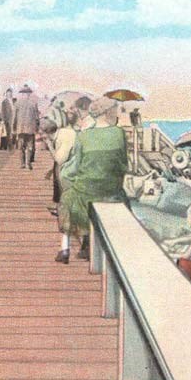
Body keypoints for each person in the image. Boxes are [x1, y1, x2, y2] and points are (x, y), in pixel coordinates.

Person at [56, 97, 128, 264]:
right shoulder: (119, 133)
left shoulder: (83, 136)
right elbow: (124, 165)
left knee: (66, 199)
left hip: (86, 192)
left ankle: (65, 248)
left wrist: (66, 177)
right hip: (112, 191)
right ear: (108, 112)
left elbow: (76, 167)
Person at [13, 84, 40, 170]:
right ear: (29, 93)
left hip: (20, 128)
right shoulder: (33, 103)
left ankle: (22, 164)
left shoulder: (17, 103)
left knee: (21, 146)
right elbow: (37, 117)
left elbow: (14, 117)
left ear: (22, 94)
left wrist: (14, 128)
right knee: (30, 146)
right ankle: (28, 163)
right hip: (30, 128)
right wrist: (37, 127)